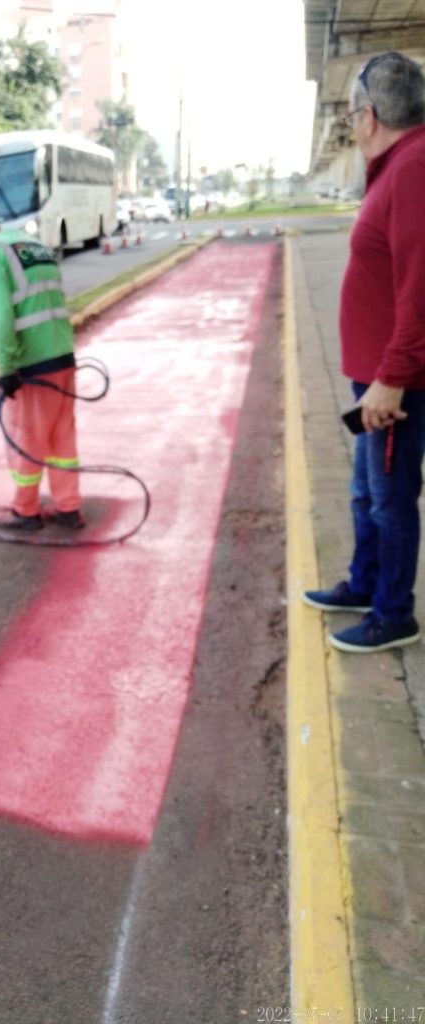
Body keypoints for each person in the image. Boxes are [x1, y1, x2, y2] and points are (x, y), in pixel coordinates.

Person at [303, 51, 425, 653]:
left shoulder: (414, 168)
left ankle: (393, 613)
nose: (351, 125)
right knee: (366, 493)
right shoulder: (399, 165)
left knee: (391, 499)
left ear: (370, 116)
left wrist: (393, 379)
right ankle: (364, 584)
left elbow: (420, 287)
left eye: (352, 115)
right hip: (372, 378)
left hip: (391, 384)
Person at [0, 216, 84, 532]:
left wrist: (5, 367)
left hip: (32, 365)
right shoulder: (37, 246)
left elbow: (2, 316)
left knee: (27, 438)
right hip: (63, 356)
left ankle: (26, 511)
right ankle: (68, 507)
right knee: (62, 437)